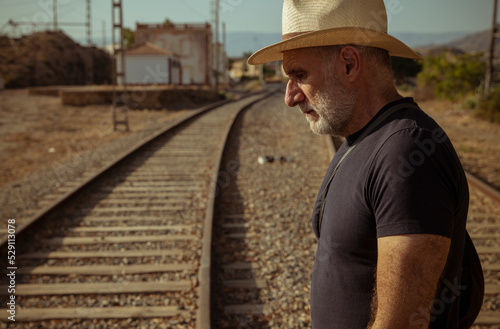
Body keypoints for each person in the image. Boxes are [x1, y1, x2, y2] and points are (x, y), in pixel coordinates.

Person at [248, 0, 482, 328]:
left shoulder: (407, 151)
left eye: (299, 75)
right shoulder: (362, 139)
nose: (290, 96)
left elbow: (401, 323)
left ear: (348, 63)